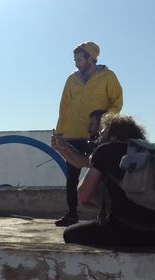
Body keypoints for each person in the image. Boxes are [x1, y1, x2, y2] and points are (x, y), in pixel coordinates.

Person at [55, 41, 123, 226]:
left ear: (91, 58)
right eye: (75, 59)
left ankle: (106, 214)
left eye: (79, 59)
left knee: (104, 174)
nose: (76, 63)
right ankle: (71, 214)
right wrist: (60, 131)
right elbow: (64, 107)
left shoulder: (108, 76)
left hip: (96, 134)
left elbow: (116, 102)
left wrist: (106, 124)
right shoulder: (72, 80)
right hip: (72, 133)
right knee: (72, 176)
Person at [64, 114, 155, 246]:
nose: (99, 137)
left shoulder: (106, 150)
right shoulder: (149, 153)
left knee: (71, 233)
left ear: (112, 135)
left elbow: (83, 196)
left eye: (102, 133)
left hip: (125, 232)